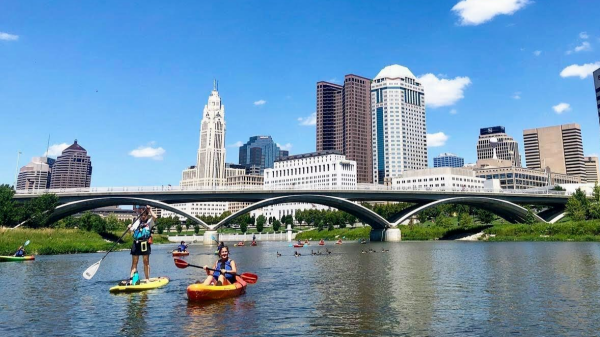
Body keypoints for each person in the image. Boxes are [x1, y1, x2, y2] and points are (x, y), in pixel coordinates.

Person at [128, 206, 157, 284]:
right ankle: (131, 279)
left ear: (147, 216)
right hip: (136, 243)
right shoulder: (136, 222)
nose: (143, 217)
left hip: (145, 243)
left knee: (146, 261)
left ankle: (147, 279)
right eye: (142, 215)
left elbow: (155, 217)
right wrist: (129, 227)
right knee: (135, 262)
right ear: (140, 216)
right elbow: (130, 231)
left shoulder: (149, 222)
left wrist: (150, 209)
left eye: (144, 215)